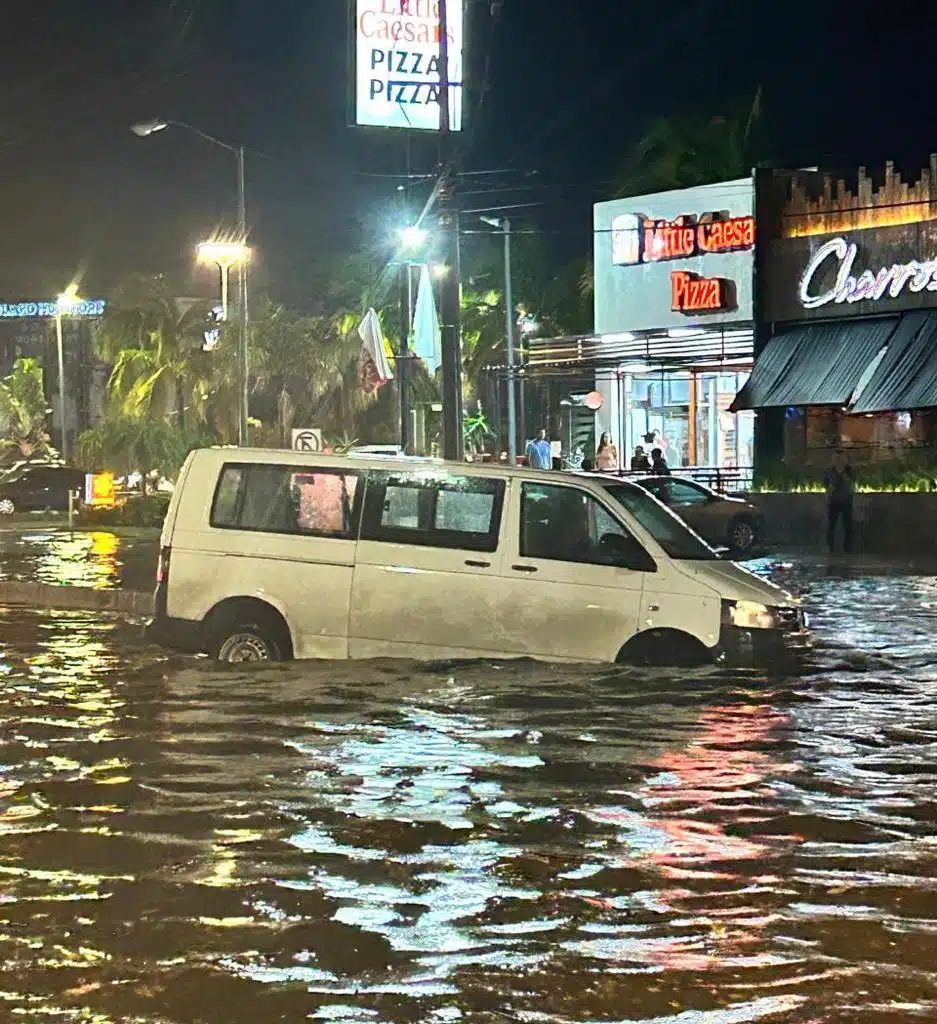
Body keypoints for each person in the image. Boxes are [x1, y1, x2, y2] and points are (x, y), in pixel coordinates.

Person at [824, 451, 855, 554]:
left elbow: (852, 484)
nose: (839, 461)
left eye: (841, 459)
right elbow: (826, 486)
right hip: (834, 501)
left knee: (848, 526)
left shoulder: (849, 471)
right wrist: (828, 495)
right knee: (831, 525)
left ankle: (848, 548)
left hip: (846, 501)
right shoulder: (830, 472)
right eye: (836, 459)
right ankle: (829, 547)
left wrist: (843, 475)